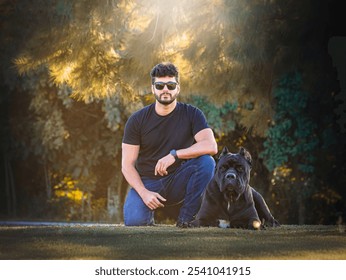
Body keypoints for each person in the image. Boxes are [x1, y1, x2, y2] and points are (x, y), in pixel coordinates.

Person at [121, 62, 218, 227]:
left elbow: (211, 146)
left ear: (177, 88)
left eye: (170, 85)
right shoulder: (137, 120)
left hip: (179, 179)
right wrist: (144, 193)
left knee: (207, 162)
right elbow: (127, 165)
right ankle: (145, 215)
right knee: (134, 221)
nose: (165, 89)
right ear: (153, 89)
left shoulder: (192, 114)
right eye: (160, 85)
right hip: (148, 182)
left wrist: (175, 155)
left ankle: (186, 219)